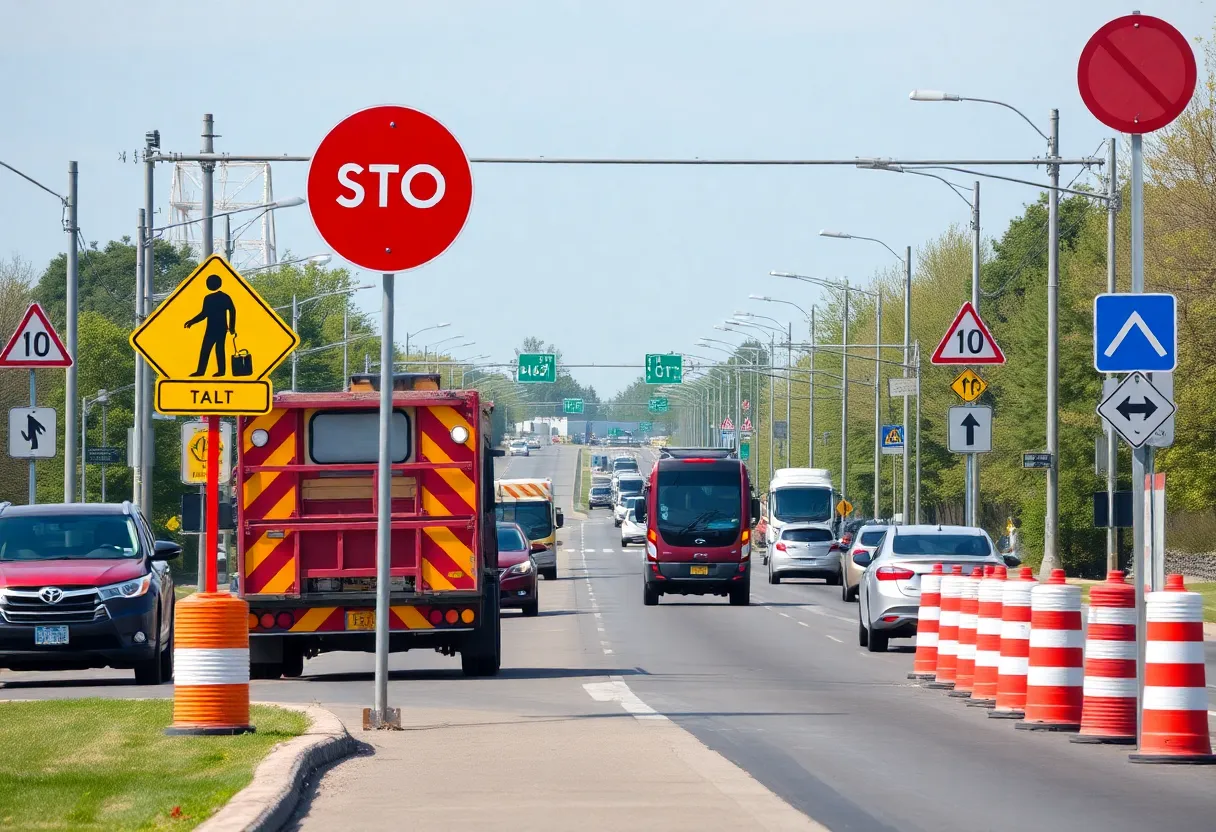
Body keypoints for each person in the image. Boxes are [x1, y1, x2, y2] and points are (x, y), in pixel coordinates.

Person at [185, 274, 237, 377]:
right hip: (217, 328)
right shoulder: (220, 297)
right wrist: (192, 321)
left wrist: (232, 327)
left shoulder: (212, 298)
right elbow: (205, 314)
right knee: (212, 348)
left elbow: (204, 314)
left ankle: (216, 371)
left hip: (216, 328)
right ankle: (204, 371)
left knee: (214, 348)